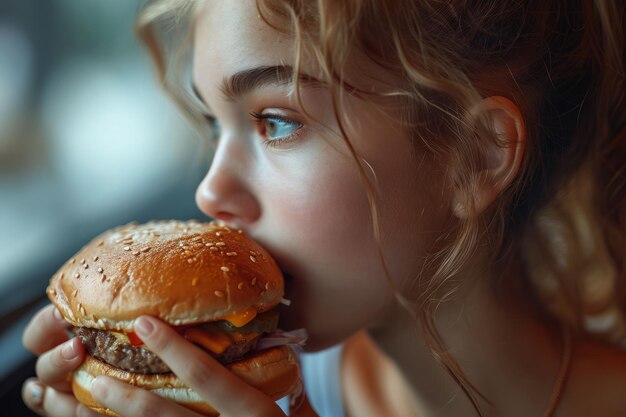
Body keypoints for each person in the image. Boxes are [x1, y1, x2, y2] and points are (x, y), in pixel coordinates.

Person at [21, 0, 626, 416]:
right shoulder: (276, 388)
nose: (210, 193)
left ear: (473, 157)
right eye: (214, 124)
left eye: (275, 121)